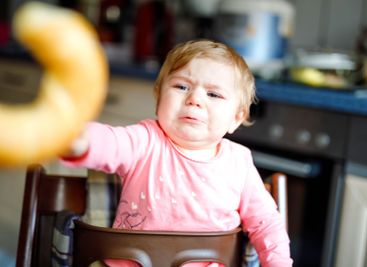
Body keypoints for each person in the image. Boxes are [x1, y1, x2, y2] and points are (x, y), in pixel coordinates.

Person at [62, 39, 292, 267]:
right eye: (182, 87)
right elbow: (108, 143)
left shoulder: (238, 164)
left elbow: (267, 224)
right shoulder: (144, 140)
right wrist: (76, 138)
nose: (195, 99)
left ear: (236, 118)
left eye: (214, 94)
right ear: (159, 98)